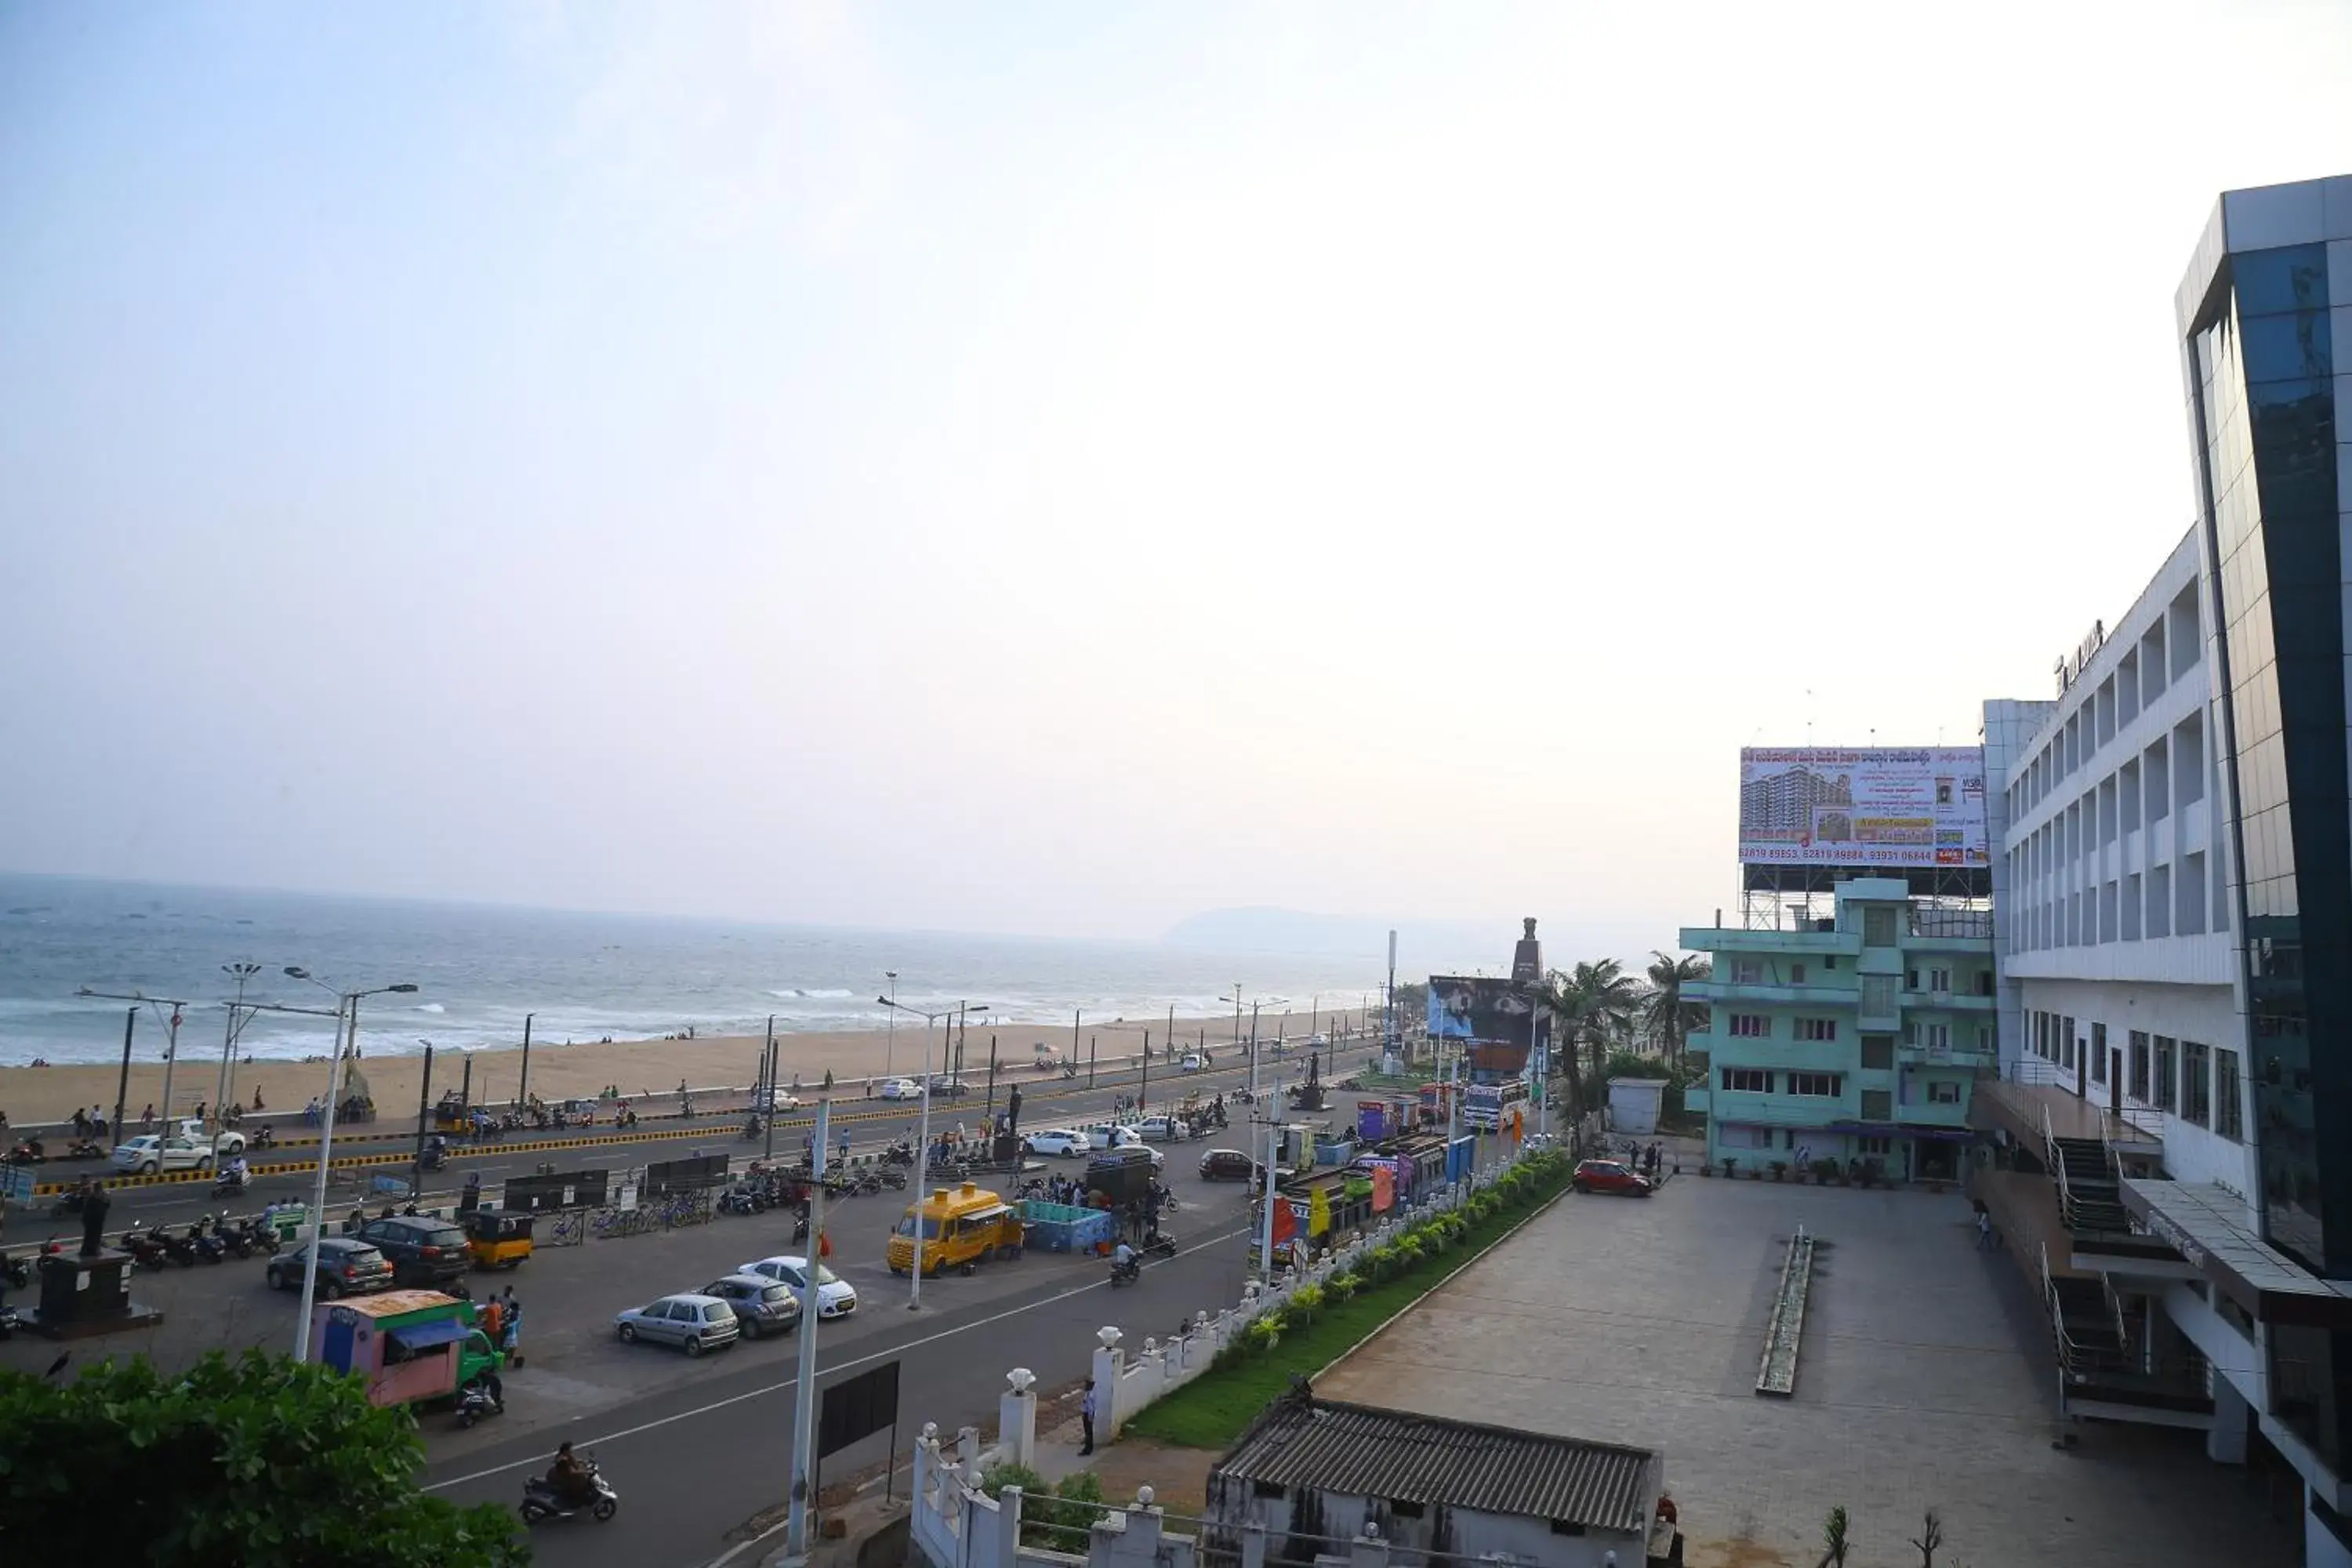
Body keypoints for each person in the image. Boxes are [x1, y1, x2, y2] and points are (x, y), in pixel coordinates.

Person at [548, 1440, 593, 1504]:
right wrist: (585, 1471)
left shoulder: (565, 1455)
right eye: (571, 1449)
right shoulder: (564, 1460)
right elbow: (572, 1472)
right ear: (566, 1451)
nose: (572, 1450)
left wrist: (583, 1461)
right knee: (583, 1485)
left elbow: (574, 1460)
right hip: (567, 1478)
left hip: (564, 1474)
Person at [1079, 1381, 1098, 1456]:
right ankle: (1089, 1447)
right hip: (1087, 1414)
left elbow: (1090, 1408)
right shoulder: (1089, 1394)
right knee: (1089, 1432)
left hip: (1088, 1415)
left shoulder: (1090, 1395)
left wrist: (1090, 1417)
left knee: (1088, 1432)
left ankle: (1087, 1449)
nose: (1085, 1387)